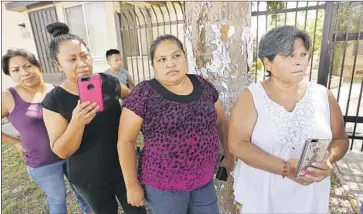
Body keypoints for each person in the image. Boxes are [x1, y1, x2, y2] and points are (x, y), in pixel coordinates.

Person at [229, 26, 349, 213]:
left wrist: (327, 160)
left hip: (309, 195)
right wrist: (285, 169)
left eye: (303, 54)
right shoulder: (252, 97)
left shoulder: (323, 95)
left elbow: (340, 139)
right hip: (261, 194)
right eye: (289, 56)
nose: (299, 62)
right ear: (267, 63)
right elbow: (237, 144)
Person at [117, 35, 234, 214]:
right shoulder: (144, 93)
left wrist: (228, 153)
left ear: (184, 57)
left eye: (176, 56)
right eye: (162, 59)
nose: (170, 63)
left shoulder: (203, 85)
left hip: (203, 179)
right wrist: (132, 186)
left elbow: (222, 121)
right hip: (164, 187)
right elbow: (126, 141)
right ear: (153, 64)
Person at [41, 22, 145, 214]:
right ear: (58, 64)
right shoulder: (53, 101)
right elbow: (61, 151)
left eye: (84, 55)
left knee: (137, 211)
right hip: (89, 179)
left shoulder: (110, 82)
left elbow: (134, 99)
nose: (81, 63)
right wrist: (77, 123)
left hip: (124, 169)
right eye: (72, 59)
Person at [1, 49, 93, 214]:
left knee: (85, 196)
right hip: (43, 163)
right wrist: (15, 142)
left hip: (72, 155)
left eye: (28, 66)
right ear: (10, 74)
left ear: (38, 66)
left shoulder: (56, 90)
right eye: (16, 70)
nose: (25, 72)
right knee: (58, 201)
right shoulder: (8, 97)